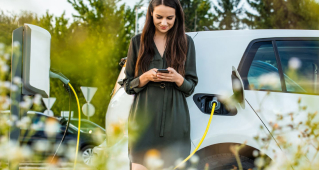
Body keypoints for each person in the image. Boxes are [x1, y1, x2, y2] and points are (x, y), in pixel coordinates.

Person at [123, 0, 198, 169]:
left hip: (175, 121)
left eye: (170, 18)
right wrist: (146, 77)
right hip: (143, 120)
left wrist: (177, 78)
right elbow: (128, 85)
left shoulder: (186, 43)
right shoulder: (137, 42)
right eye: (159, 17)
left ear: (177, 17)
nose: (164, 23)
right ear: (150, 14)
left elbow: (191, 86)